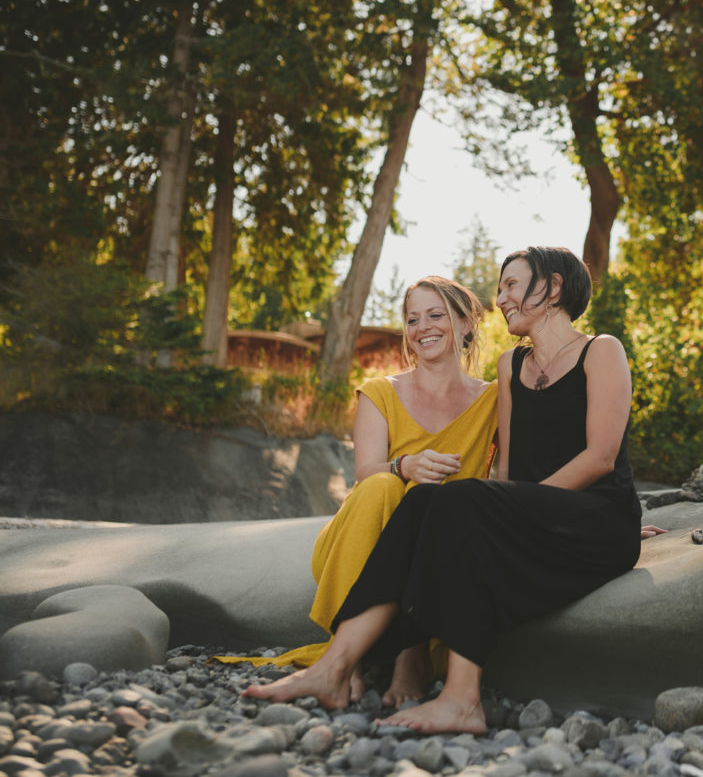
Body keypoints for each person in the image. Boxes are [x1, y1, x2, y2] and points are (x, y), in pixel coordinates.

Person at [242, 246, 643, 734]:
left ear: (553, 288)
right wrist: (515, 506)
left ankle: (460, 700)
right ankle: (334, 666)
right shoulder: (510, 367)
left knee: (459, 497)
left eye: (512, 285)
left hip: (595, 516)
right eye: (500, 289)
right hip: (538, 518)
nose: (501, 298)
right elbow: (509, 474)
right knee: (428, 497)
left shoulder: (601, 349)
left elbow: (601, 457)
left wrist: (522, 509)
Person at [220, 276, 497, 707]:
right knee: (384, 485)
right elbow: (366, 472)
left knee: (440, 513)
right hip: (362, 542)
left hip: (439, 559)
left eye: (436, 315)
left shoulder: (494, 402)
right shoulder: (380, 392)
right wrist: (405, 466)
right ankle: (346, 659)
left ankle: (410, 657)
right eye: (412, 319)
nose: (422, 327)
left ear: (465, 323)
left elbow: (518, 481)